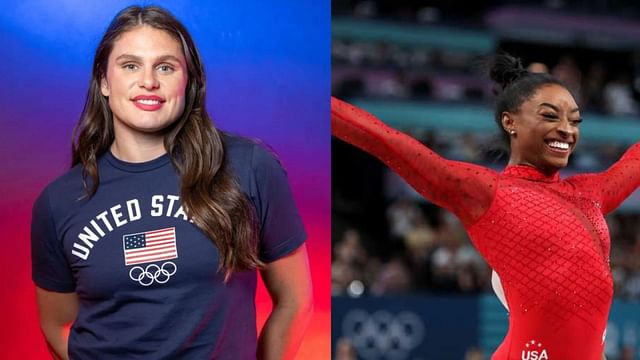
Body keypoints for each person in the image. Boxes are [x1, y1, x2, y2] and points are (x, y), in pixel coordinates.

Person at [31, 5, 312, 360]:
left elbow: (295, 301)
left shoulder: (249, 167)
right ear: (104, 81)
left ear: (189, 80)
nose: (148, 81)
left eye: (165, 66)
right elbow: (57, 326)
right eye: (130, 65)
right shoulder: (58, 201)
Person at [331, 53, 639, 359]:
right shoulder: (488, 193)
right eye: (550, 116)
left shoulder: (589, 192)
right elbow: (386, 141)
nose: (567, 130)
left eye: (574, 120)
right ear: (510, 122)